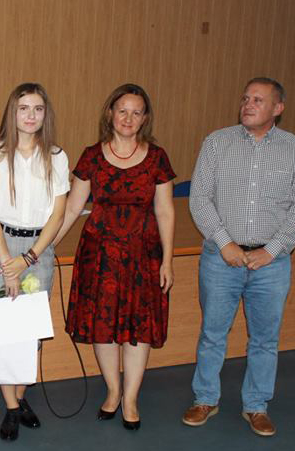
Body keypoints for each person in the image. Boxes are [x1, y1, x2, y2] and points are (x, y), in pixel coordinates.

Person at [182, 77, 295, 437]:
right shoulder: (217, 142)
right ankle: (205, 398)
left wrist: (271, 250)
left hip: (272, 262)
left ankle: (256, 405)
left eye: (258, 99)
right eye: (245, 98)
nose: (248, 105)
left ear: (277, 108)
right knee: (212, 333)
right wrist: (225, 243)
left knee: (265, 339)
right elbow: (199, 198)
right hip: (221, 257)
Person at [55, 83, 175, 431]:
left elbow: (165, 211)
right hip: (100, 256)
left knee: (138, 329)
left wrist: (167, 260)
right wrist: (44, 247)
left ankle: (131, 398)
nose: (128, 118)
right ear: (110, 113)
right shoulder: (92, 156)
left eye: (136, 112)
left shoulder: (157, 157)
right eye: (122, 110)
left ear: (145, 118)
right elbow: (73, 207)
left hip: (143, 256)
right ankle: (112, 391)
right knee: (103, 328)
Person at [0, 83, 69, 441]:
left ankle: (18, 396)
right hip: (0, 245)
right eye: (24, 108)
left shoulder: (57, 157)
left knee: (30, 332)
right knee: (5, 330)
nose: (31, 116)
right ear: (12, 113)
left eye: (38, 109)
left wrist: (29, 257)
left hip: (38, 247)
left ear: (46, 114)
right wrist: (8, 264)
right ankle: (12, 407)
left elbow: (58, 214)